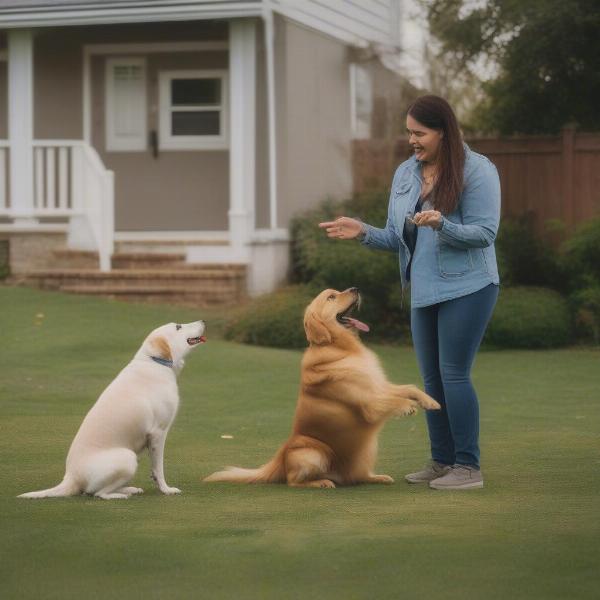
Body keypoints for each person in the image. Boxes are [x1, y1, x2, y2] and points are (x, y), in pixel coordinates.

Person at [319, 95, 500, 490]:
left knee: (454, 375)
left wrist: (443, 225)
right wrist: (363, 231)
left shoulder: (479, 171)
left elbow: (485, 234)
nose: (412, 141)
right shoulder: (406, 173)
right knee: (430, 380)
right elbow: (397, 239)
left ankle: (468, 468)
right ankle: (442, 461)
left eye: (420, 133)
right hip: (424, 289)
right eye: (409, 133)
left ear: (443, 132)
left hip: (469, 286)